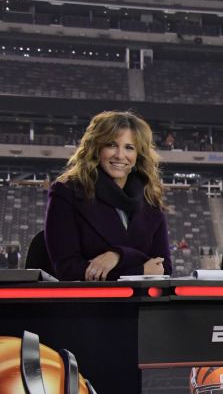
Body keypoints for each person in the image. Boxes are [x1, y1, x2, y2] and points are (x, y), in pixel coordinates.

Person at [43, 111, 171, 281]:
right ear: (96, 148)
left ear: (138, 155)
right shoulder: (67, 193)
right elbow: (68, 270)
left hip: (142, 305)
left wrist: (117, 255)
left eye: (129, 147)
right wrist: (140, 270)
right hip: (91, 303)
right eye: (111, 145)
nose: (119, 155)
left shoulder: (150, 197)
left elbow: (163, 267)